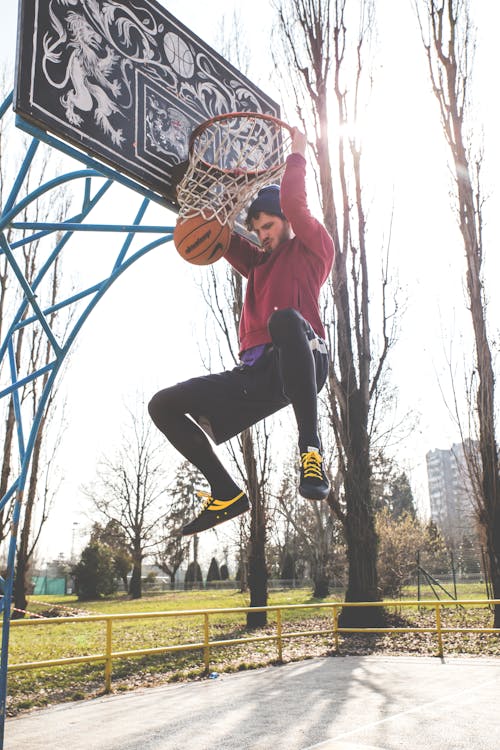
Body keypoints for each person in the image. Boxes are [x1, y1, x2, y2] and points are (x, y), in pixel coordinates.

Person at [148, 128, 335, 536]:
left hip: (306, 355)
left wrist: (298, 153)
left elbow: (294, 202)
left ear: (287, 222)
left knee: (284, 320)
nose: (262, 235)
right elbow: (215, 233)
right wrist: (190, 193)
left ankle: (311, 451)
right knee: (163, 405)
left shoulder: (313, 249)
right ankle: (226, 492)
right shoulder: (256, 264)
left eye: (268, 225)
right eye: (257, 229)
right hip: (258, 376)